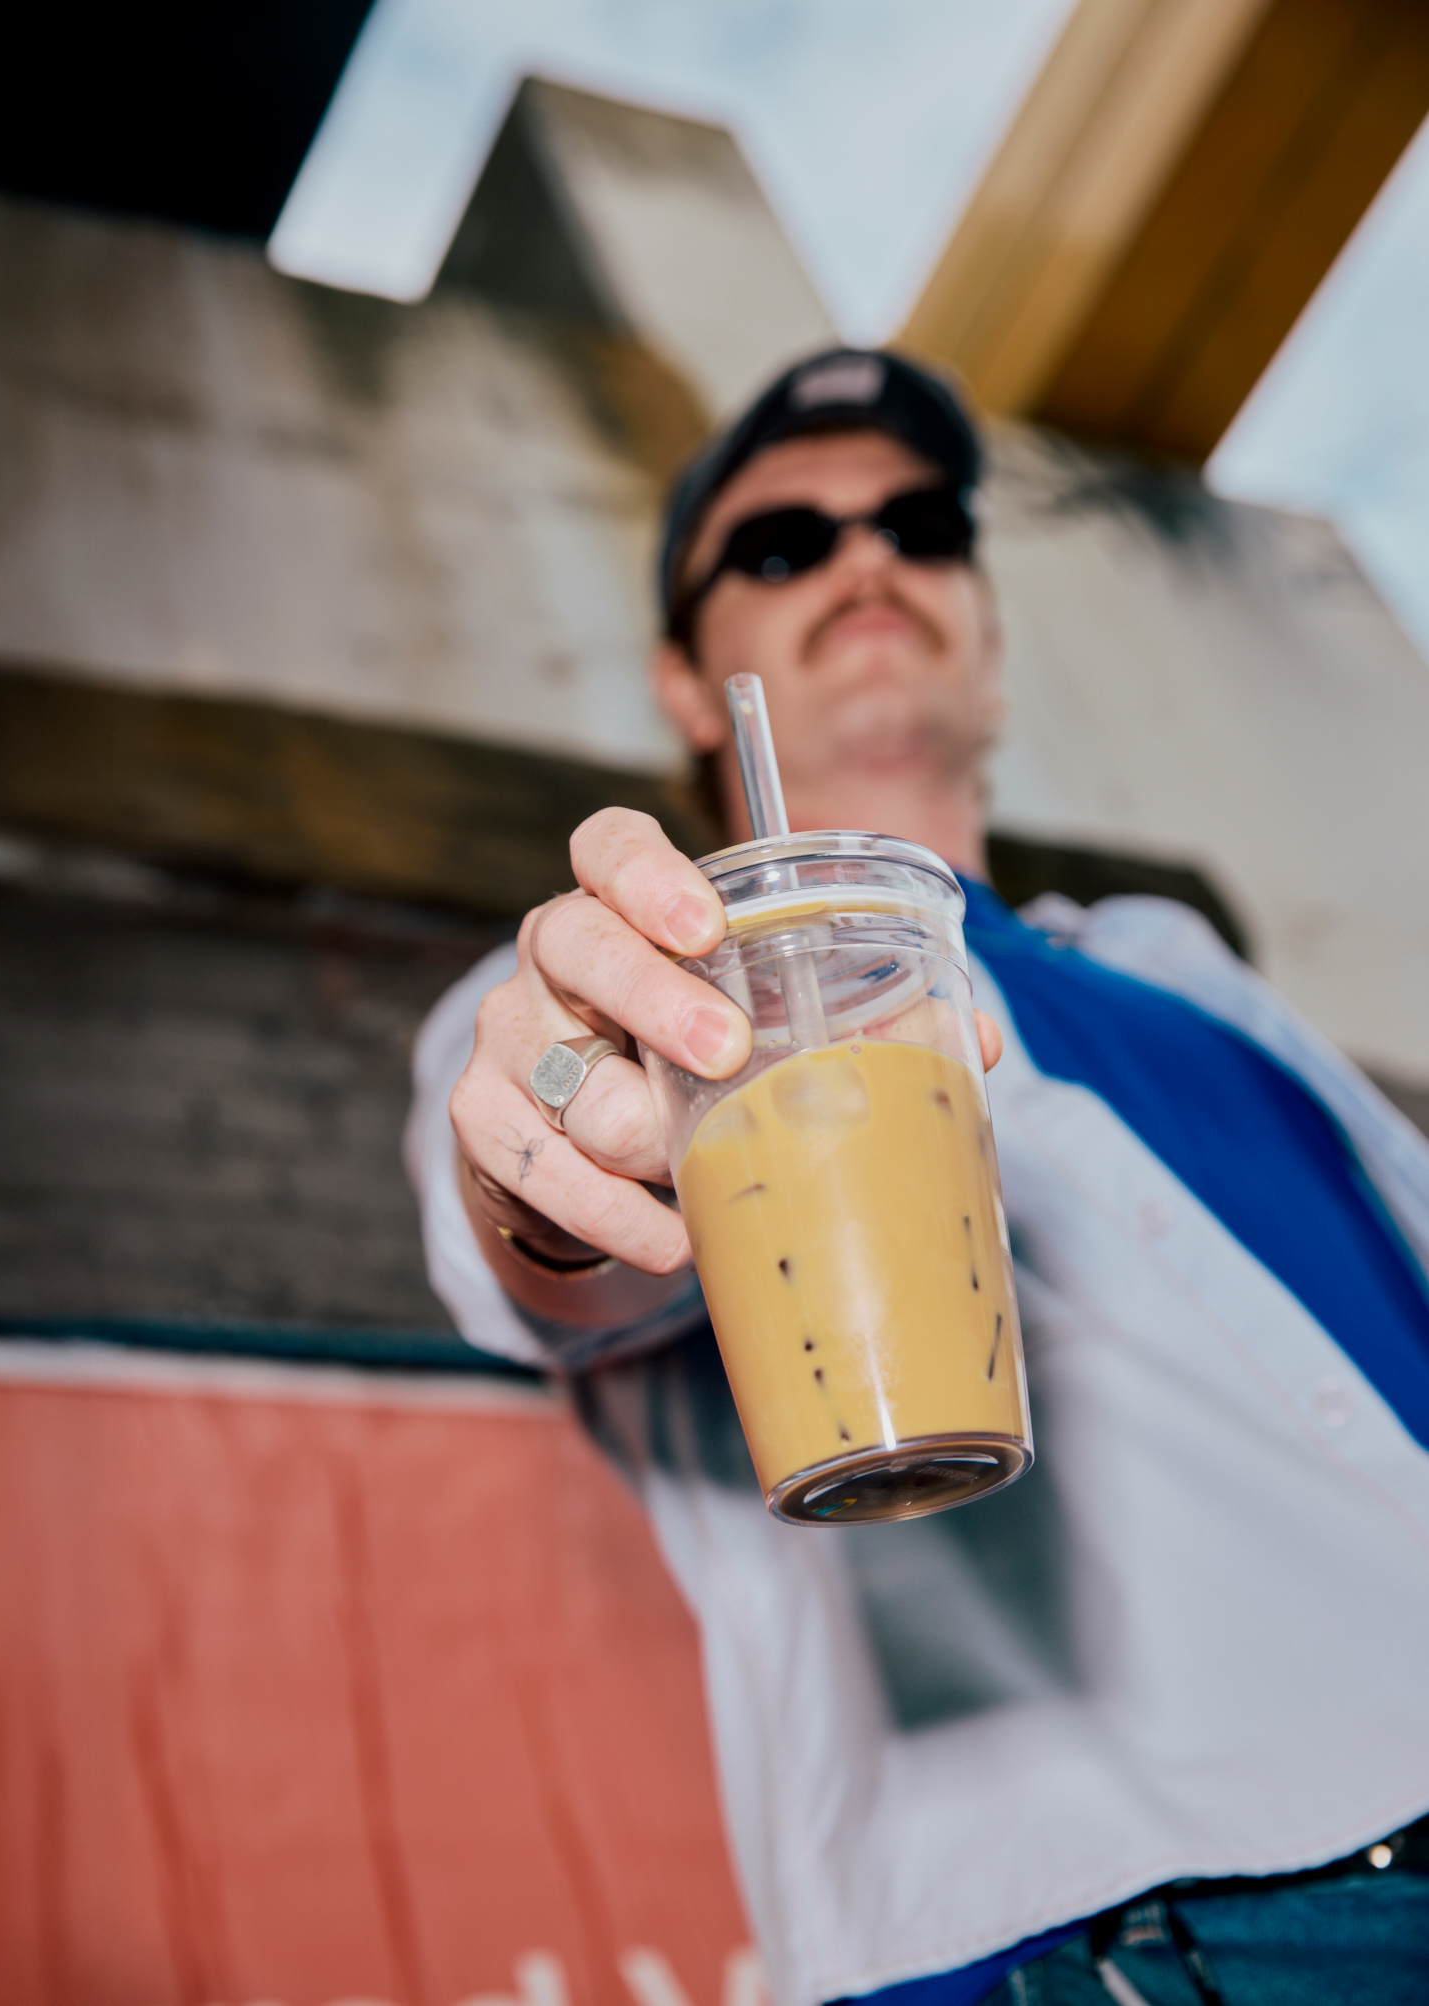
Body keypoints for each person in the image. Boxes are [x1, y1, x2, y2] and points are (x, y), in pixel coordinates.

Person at [404, 349, 1429, 2006]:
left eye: (918, 524)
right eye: (784, 547)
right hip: (1125, 1945)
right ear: (686, 683)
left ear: (990, 639)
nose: (866, 559)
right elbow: (539, 1237)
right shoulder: (625, 992)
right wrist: (558, 1159)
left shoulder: (1185, 971)